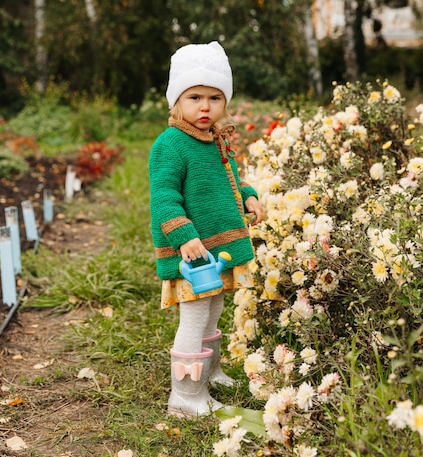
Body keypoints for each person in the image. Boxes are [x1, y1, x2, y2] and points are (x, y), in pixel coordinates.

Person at [149, 41, 265, 417]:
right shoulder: (171, 145)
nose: (205, 107)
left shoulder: (217, 139)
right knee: (195, 314)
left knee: (214, 308)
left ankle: (210, 372)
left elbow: (229, 179)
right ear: (176, 102)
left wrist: (247, 195)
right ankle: (184, 394)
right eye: (194, 97)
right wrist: (183, 235)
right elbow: (164, 197)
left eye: (215, 98)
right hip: (193, 253)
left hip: (216, 249)